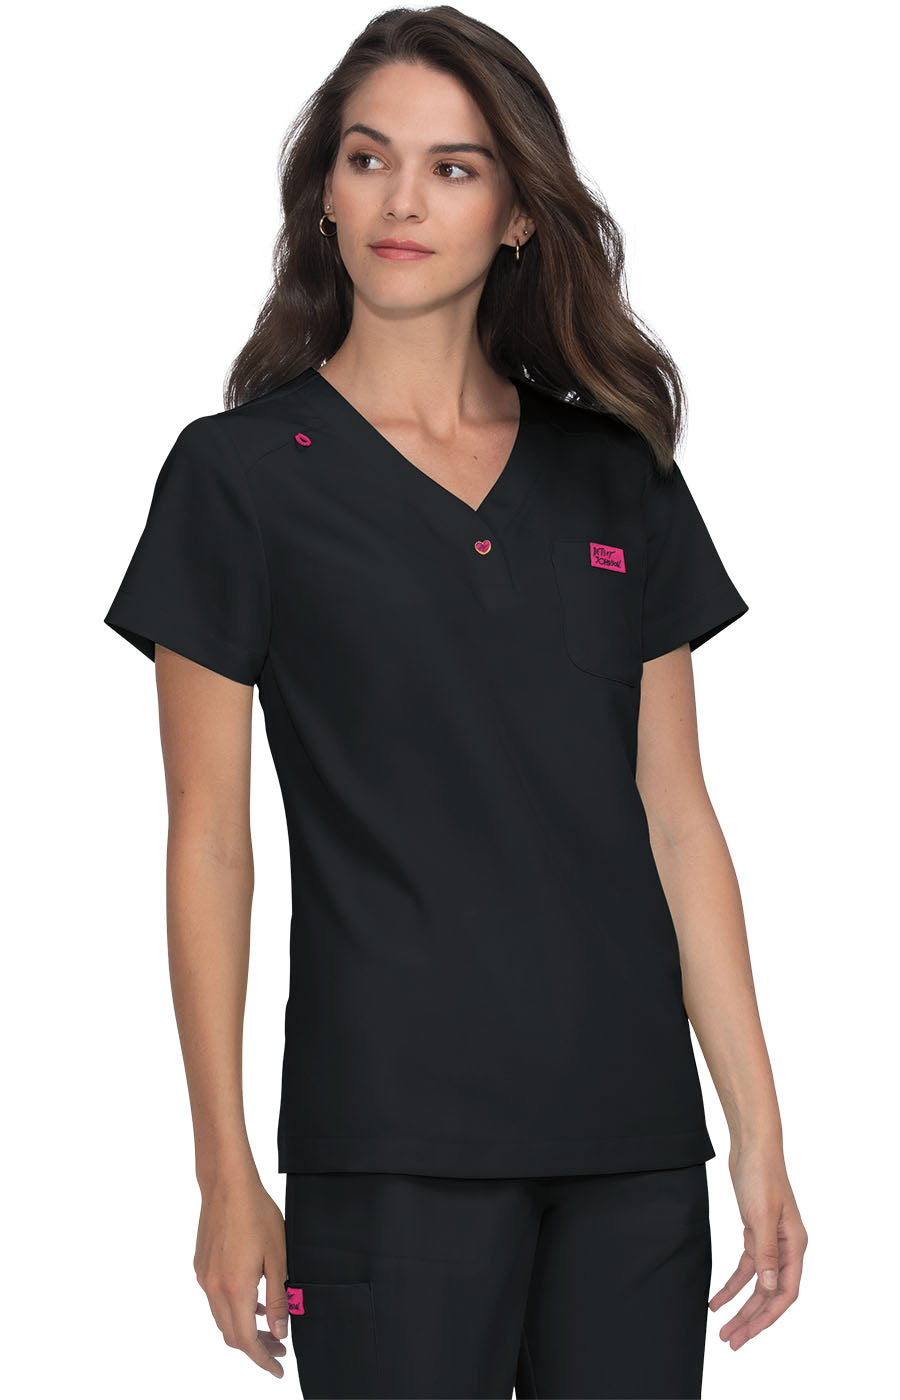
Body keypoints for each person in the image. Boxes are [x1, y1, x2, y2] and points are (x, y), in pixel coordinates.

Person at [103, 6, 808, 1397]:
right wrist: (224, 1168)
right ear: (323, 192)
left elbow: (677, 821)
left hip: (632, 1150)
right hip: (390, 1149)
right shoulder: (240, 480)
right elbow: (210, 841)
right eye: (368, 159)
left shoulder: (616, 475)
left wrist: (760, 1138)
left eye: (454, 168)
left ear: (520, 214)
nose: (402, 201)